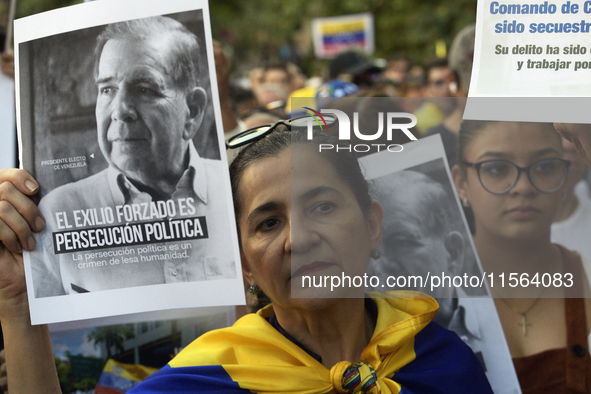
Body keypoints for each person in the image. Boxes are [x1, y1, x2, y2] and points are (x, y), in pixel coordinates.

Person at [0, 122, 493, 392]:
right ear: (244, 263)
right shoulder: (202, 383)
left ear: (372, 224)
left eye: (322, 205)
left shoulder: (446, 365)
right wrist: (19, 308)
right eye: (268, 222)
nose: (297, 239)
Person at [29, 16, 236, 297]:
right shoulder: (55, 214)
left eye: (144, 89)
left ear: (193, 110)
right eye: (107, 89)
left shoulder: (237, 189)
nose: (120, 109)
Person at [452, 120, 591, 392]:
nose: (523, 186)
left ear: (564, 178)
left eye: (546, 167)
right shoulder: (427, 298)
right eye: (496, 168)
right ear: (461, 183)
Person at [367, 170, 519, 394]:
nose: (380, 264)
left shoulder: (512, 322)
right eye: (371, 249)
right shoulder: (358, 356)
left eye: (401, 242)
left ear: (454, 252)